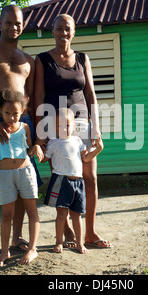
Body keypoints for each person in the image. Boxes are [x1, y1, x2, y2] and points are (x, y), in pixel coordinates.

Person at [34, 14, 112, 249]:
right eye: (59, 29)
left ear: (74, 32)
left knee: (89, 178)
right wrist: (40, 132)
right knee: (61, 178)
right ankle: (67, 230)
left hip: (82, 125)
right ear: (53, 31)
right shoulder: (42, 60)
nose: (63, 33)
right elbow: (37, 96)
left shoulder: (82, 58)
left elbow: (90, 94)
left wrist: (96, 127)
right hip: (53, 127)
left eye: (68, 29)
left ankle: (89, 232)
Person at [0, 5, 41, 261]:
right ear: (0, 24)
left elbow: (32, 99)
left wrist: (36, 137)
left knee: (23, 182)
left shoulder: (28, 61)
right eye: (9, 22)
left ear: (23, 25)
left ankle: (16, 236)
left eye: (18, 23)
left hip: (21, 127)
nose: (14, 27)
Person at [0, 89, 42, 266]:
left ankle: (32, 249)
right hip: (5, 176)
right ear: (1, 111)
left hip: (26, 172)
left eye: (15, 113)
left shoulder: (25, 128)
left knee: (32, 211)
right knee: (6, 215)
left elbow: (29, 149)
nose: (11, 117)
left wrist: (36, 148)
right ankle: (4, 251)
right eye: (7, 113)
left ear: (22, 111)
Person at [41, 108, 104, 254]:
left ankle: (80, 243)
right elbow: (45, 159)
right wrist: (37, 149)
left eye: (67, 125)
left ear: (74, 125)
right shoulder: (53, 143)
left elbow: (86, 158)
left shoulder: (78, 141)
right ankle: (58, 242)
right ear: (54, 127)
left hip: (78, 183)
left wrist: (99, 148)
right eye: (59, 126)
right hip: (60, 181)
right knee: (61, 214)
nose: (64, 128)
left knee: (77, 215)